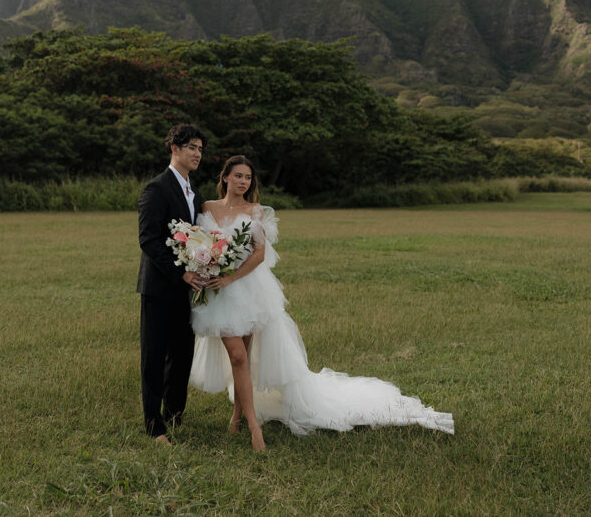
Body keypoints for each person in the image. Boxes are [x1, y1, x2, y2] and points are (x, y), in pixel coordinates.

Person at [190, 156, 454, 451]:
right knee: (237, 357)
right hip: (220, 293)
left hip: (248, 289)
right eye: (237, 176)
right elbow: (201, 245)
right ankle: (254, 427)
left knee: (246, 357)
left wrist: (231, 277)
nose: (243, 182)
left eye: (248, 178)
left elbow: (259, 255)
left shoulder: (254, 211)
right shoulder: (208, 208)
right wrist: (209, 269)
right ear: (225, 177)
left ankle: (239, 415)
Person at [137, 124, 206, 444]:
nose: (197, 153)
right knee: (155, 355)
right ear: (174, 148)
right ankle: (155, 427)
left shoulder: (195, 193)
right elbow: (149, 241)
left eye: (200, 149)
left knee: (182, 353)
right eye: (191, 147)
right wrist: (180, 273)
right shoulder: (156, 189)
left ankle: (174, 413)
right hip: (160, 286)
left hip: (188, 288)